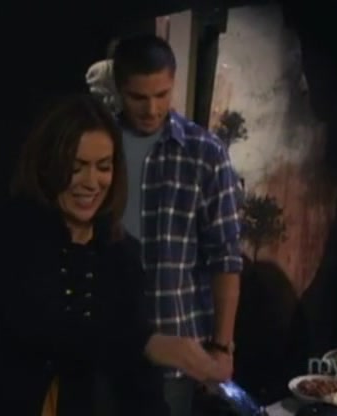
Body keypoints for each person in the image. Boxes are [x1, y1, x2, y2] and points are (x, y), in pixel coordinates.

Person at [0, 94, 229, 416]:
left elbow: (138, 379)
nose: (91, 183)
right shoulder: (12, 237)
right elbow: (44, 328)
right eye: (76, 168)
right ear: (47, 166)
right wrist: (146, 342)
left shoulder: (122, 254)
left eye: (103, 167)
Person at [111, 34, 244, 416]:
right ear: (119, 90)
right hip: (107, 345)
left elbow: (225, 258)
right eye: (138, 97)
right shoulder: (100, 148)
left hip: (177, 350)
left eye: (162, 94)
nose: (152, 109)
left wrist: (221, 347)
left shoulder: (204, 154)